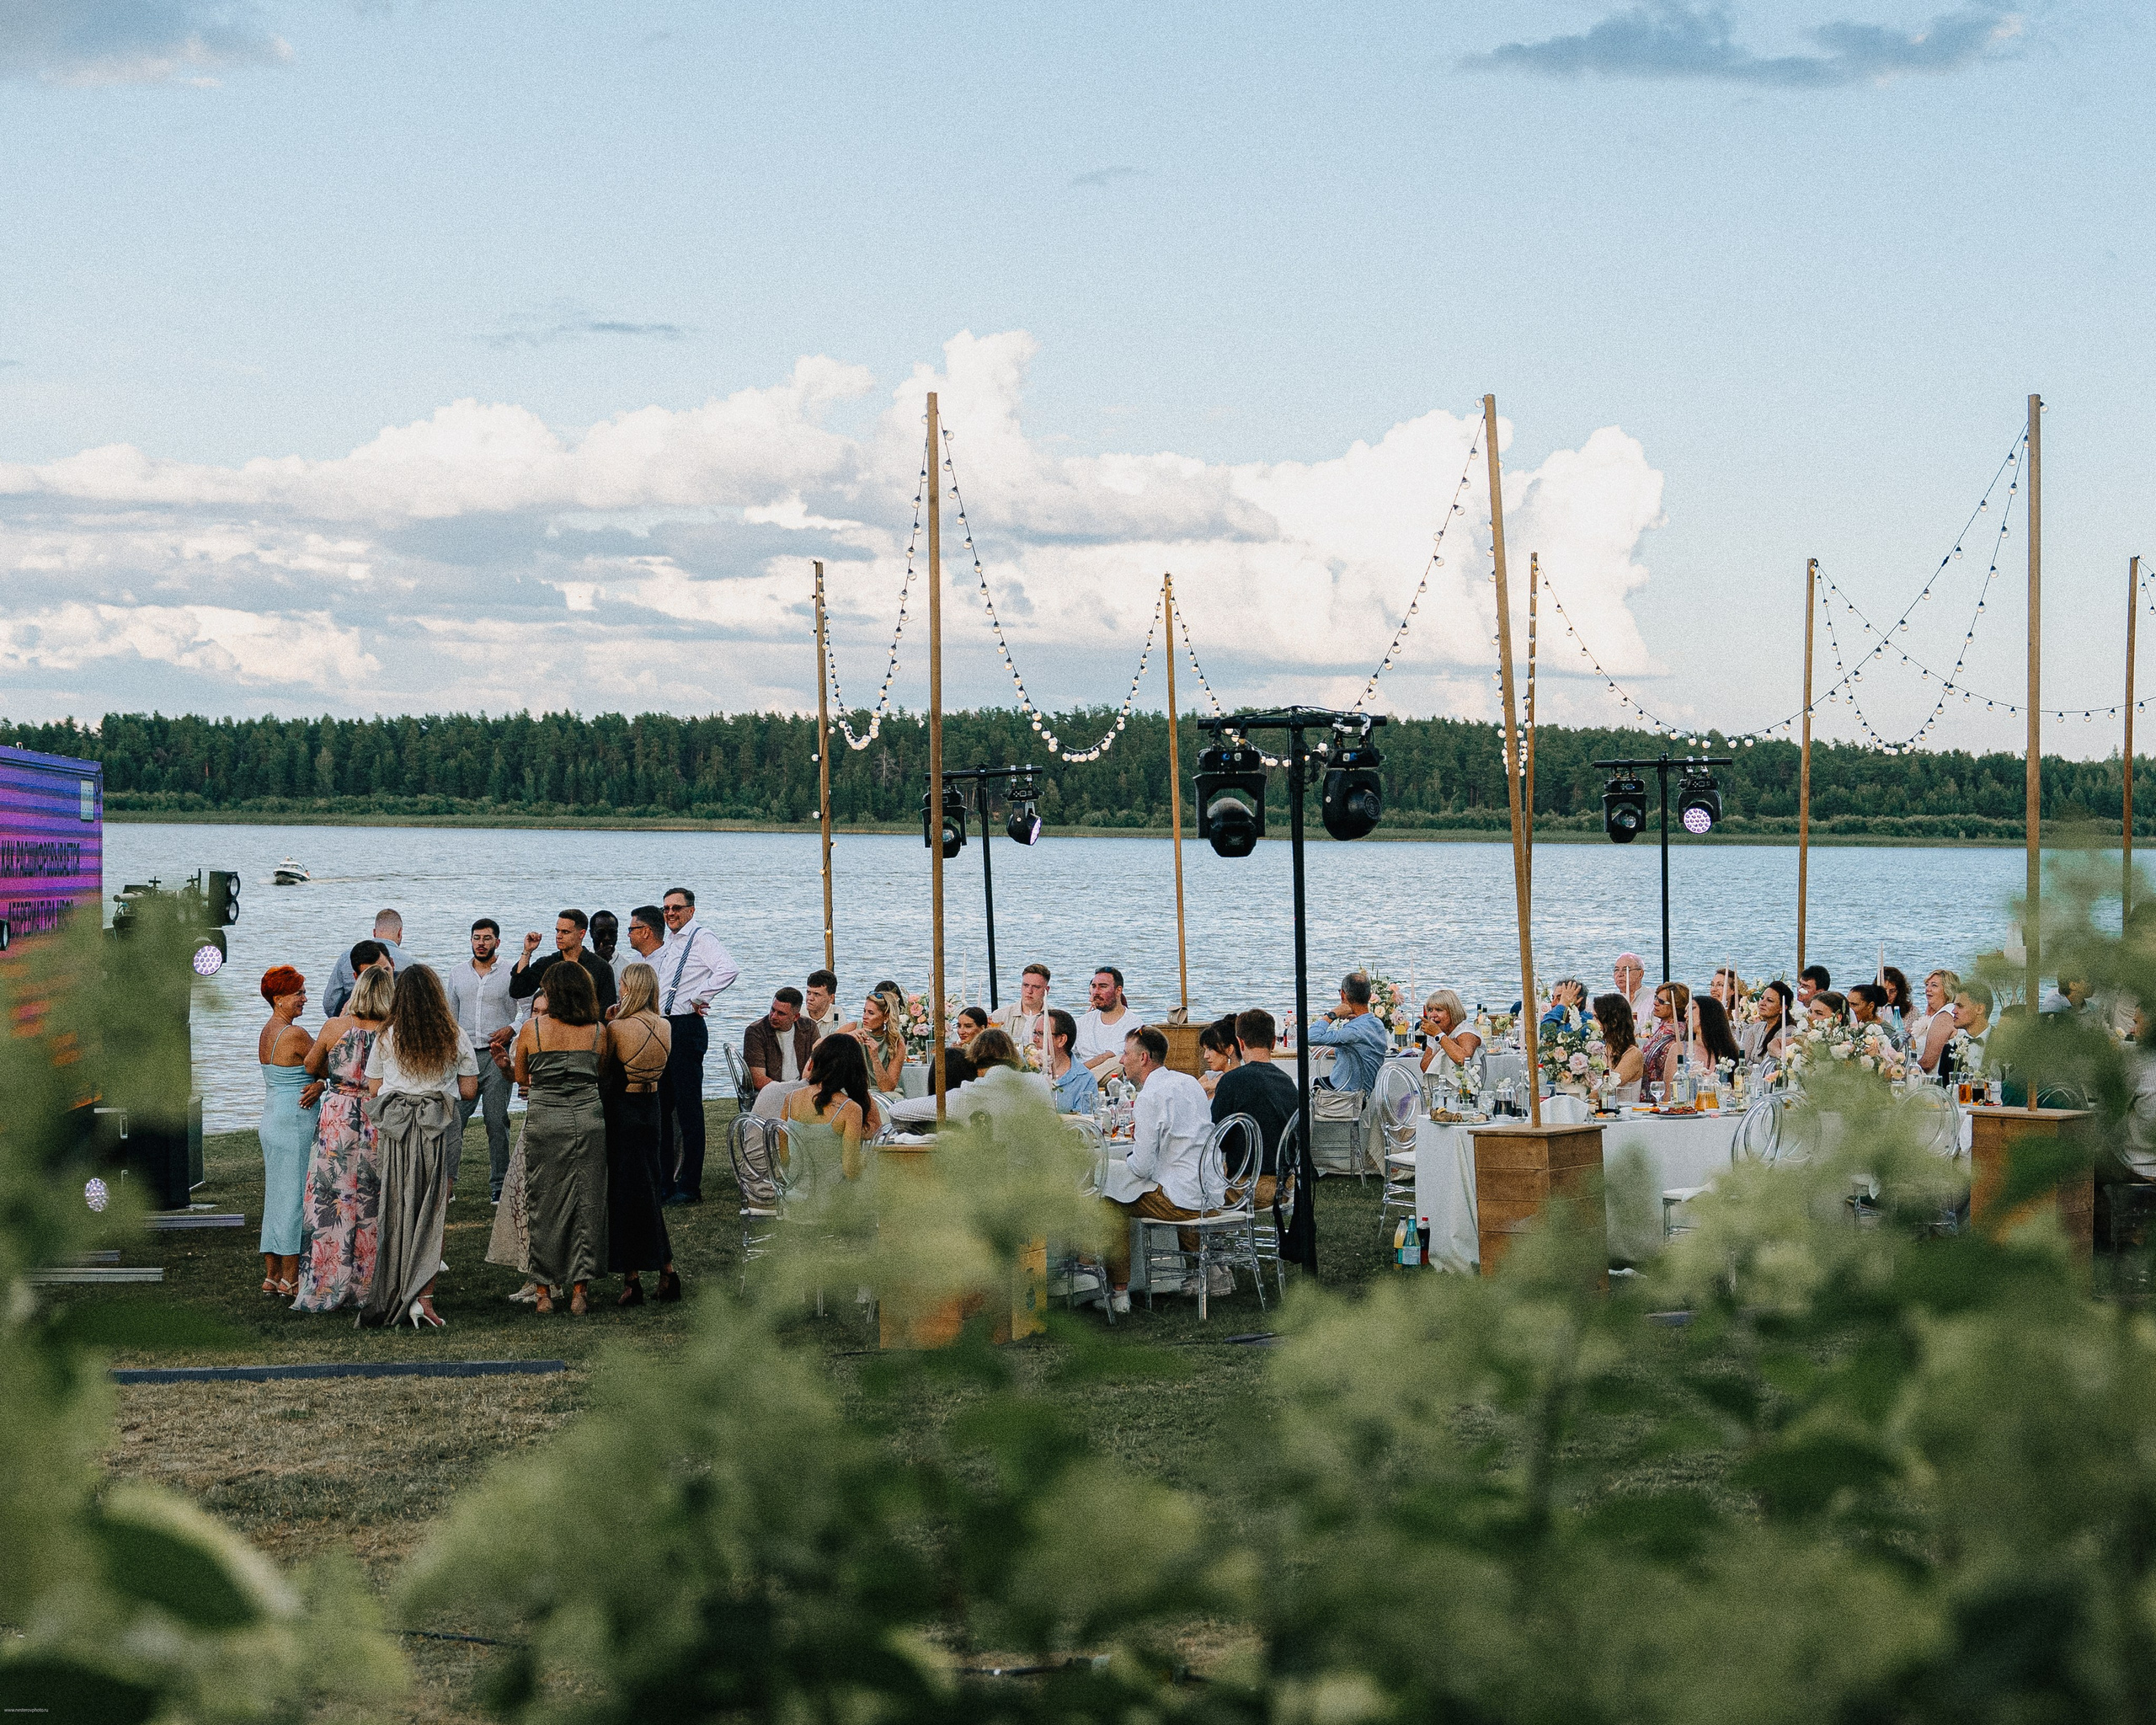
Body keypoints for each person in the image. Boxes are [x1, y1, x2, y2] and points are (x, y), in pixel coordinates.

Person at [360, 964, 479, 1330]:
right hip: (438, 1129)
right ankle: (424, 1298)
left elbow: (373, 1089)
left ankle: (397, 1289)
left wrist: (403, 1093)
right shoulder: (454, 1036)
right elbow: (470, 1090)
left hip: (398, 1131)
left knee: (397, 1207)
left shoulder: (385, 1037)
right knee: (433, 1211)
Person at [291, 966, 394, 1313]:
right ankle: (369, 1282)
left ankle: (325, 1280)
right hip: (376, 1115)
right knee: (372, 1196)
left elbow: (310, 1064)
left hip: (338, 1117)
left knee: (330, 1194)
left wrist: (331, 1077)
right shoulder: (392, 1031)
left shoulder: (335, 1027)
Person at [515, 959, 610, 1315]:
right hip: (588, 1119)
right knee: (587, 1201)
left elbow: (522, 1077)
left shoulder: (533, 1029)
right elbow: (601, 1071)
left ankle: (543, 1292)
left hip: (545, 1119)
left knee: (543, 1202)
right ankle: (579, 1292)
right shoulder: (599, 1031)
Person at [1101, 1025, 1214, 1315]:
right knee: (1121, 1184)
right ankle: (1199, 1269)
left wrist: (1119, 1165)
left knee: (1109, 1199)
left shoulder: (1149, 1097)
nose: (1121, 1060)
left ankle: (1119, 1293)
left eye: (1126, 1054)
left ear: (1144, 1058)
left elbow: (1142, 1167)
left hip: (1182, 1199)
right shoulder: (1188, 1082)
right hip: (1212, 1189)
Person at [649, 887, 741, 1206]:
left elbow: (728, 969)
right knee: (661, 1109)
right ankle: (663, 1183)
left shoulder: (702, 938)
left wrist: (701, 997)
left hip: (686, 1027)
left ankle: (690, 1185)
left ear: (691, 910)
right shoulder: (669, 942)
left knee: (689, 1111)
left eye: (676, 907)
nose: (670, 913)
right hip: (662, 1027)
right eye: (666, 909)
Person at [602, 961, 679, 1307]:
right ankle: (666, 1271)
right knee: (648, 1187)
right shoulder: (665, 1025)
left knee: (626, 1195)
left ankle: (632, 1279)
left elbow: (604, 1071)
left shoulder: (617, 1027)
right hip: (653, 1109)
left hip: (625, 1109)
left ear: (630, 988)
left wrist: (607, 1024)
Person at [255, 965, 320, 1299]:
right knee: (295, 1198)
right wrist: (322, 1083)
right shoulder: (295, 1035)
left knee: (276, 1198)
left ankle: (271, 1274)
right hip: (295, 1118)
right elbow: (326, 1064)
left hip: (272, 1117)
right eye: (299, 994)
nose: (305, 999)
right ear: (279, 999)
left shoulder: (267, 1031)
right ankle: (291, 1278)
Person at [447, 917, 518, 1204]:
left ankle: (499, 1186)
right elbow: (449, 1017)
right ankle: (447, 1185)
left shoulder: (510, 973)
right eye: (477, 938)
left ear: (497, 942)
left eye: (487, 938)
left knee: (496, 1120)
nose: (481, 943)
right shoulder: (457, 973)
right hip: (464, 1056)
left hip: (496, 1054)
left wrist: (511, 1029)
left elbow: (526, 1010)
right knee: (454, 1121)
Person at [1210, 1008, 1297, 1211]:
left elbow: (1216, 1139)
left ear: (1240, 1043)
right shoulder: (1289, 1084)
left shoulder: (1231, 1081)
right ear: (1273, 1043)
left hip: (1245, 1187)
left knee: (1185, 1188)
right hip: (1287, 1186)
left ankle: (1208, 1241)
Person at [888, 1028, 1053, 1127]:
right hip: (1042, 1171)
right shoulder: (1038, 1082)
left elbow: (897, 1111)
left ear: (974, 1060)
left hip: (992, 1175)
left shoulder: (968, 1095)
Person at [782, 1032, 883, 1183]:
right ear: (854, 1068)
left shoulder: (791, 1098)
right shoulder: (850, 1109)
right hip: (834, 1201)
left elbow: (784, 1157)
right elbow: (851, 1171)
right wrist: (868, 1158)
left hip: (795, 1194)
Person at [509, 908, 618, 1019]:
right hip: (551, 1028)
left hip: (585, 1029)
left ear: (581, 934)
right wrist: (527, 951)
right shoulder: (547, 963)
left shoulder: (600, 967)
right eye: (557, 931)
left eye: (565, 932)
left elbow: (606, 1009)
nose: (559, 936)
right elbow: (518, 990)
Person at [1307, 971, 1390, 1100]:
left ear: (1343, 995)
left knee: (1291, 1084)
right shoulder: (1377, 1024)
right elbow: (1363, 1048)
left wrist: (1332, 1014)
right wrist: (1334, 1050)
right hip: (1361, 1095)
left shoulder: (1354, 1031)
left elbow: (1311, 1037)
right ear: (1369, 997)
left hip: (1341, 1097)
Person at [322, 910, 412, 1017]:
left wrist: (339, 1023)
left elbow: (330, 1002)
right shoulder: (412, 963)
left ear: (374, 932)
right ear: (400, 933)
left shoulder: (346, 957)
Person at [744, 987, 818, 1094]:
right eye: (772, 1010)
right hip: (769, 1092)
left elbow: (818, 1065)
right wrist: (788, 1094)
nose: (773, 1016)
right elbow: (758, 1080)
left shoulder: (809, 1027)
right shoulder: (756, 1032)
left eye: (781, 1013)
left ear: (795, 1017)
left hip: (802, 1090)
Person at [1073, 967, 1137, 1073]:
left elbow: (1107, 1057)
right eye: (1094, 987)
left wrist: (1076, 1074)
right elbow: (1066, 1049)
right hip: (1082, 1073)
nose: (1096, 992)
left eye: (1103, 987)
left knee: (1117, 1062)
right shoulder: (1084, 1021)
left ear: (1118, 991)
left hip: (1112, 1077)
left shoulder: (1133, 1024)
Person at [846, 985, 909, 1094]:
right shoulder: (854, 1027)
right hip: (853, 1091)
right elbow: (817, 1046)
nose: (865, 1016)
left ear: (885, 1017)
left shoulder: (896, 1043)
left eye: (871, 1013)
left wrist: (875, 1058)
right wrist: (846, 1037)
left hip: (882, 1094)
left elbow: (887, 1088)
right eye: (864, 1011)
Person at [1043, 1007, 1099, 1114]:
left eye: (1042, 1034)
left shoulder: (1084, 1080)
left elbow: (1084, 1124)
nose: (1035, 1039)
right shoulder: (1025, 1072)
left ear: (1061, 1040)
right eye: (1034, 1033)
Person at [1592, 993, 1644, 1103]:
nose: (1592, 1022)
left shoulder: (1633, 1054)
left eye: (1596, 1017)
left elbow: (1608, 1087)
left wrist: (1579, 1099)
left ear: (1612, 1022)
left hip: (1624, 1115)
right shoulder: (1603, 1050)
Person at [994, 963, 1050, 1062]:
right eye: (1026, 985)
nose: (1029, 991)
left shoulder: (1054, 1019)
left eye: (1036, 987)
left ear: (1046, 990)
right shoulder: (1000, 1016)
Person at [1417, 990, 1481, 1074]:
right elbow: (1425, 1068)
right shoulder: (1436, 1033)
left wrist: (1439, 1036)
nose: (1433, 1015)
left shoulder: (1466, 1031)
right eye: (1430, 1010)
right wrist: (1443, 1045)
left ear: (1452, 1011)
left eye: (1439, 1010)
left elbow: (1464, 1061)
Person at [1915, 969, 1960, 1074]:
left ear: (1948, 990)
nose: (1927, 989)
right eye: (1927, 985)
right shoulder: (1937, 1014)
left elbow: (1928, 1063)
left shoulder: (1945, 1015)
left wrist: (1901, 1071)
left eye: (1934, 985)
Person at [1949, 982, 1994, 1080]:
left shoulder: (2004, 1043)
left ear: (1979, 1009)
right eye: (1954, 1006)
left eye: (1960, 1006)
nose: (1954, 1011)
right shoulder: (1952, 1047)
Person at [1689, 995, 1743, 1073]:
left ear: (1709, 1012)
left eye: (1692, 1008)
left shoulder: (1729, 1051)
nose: (1686, 1015)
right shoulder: (1679, 1049)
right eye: (1685, 1011)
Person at [1197, 1013, 1241, 1097]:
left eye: (1210, 1049)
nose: (1205, 1056)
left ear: (1229, 1049)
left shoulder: (1243, 1081)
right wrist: (1207, 1086)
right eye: (1205, 1049)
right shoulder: (1210, 1077)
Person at [1754, 980, 1797, 1062]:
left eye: (1769, 1000)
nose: (1762, 1003)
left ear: (1782, 1009)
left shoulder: (1788, 1031)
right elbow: (1743, 1057)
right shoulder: (1757, 1027)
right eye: (1762, 998)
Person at [590, 911, 629, 992]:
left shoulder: (626, 966)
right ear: (591, 933)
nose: (607, 938)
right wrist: (596, 962)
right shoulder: (582, 962)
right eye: (601, 933)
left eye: (612, 933)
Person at [1614, 953, 1656, 1026]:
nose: (1620, 974)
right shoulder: (1612, 1002)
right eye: (1616, 970)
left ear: (1640, 974)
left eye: (1626, 970)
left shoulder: (1653, 999)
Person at [804, 969, 841, 1037]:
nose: (810, 998)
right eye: (808, 993)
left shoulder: (837, 1013)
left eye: (816, 994)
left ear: (831, 998)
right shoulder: (799, 1014)